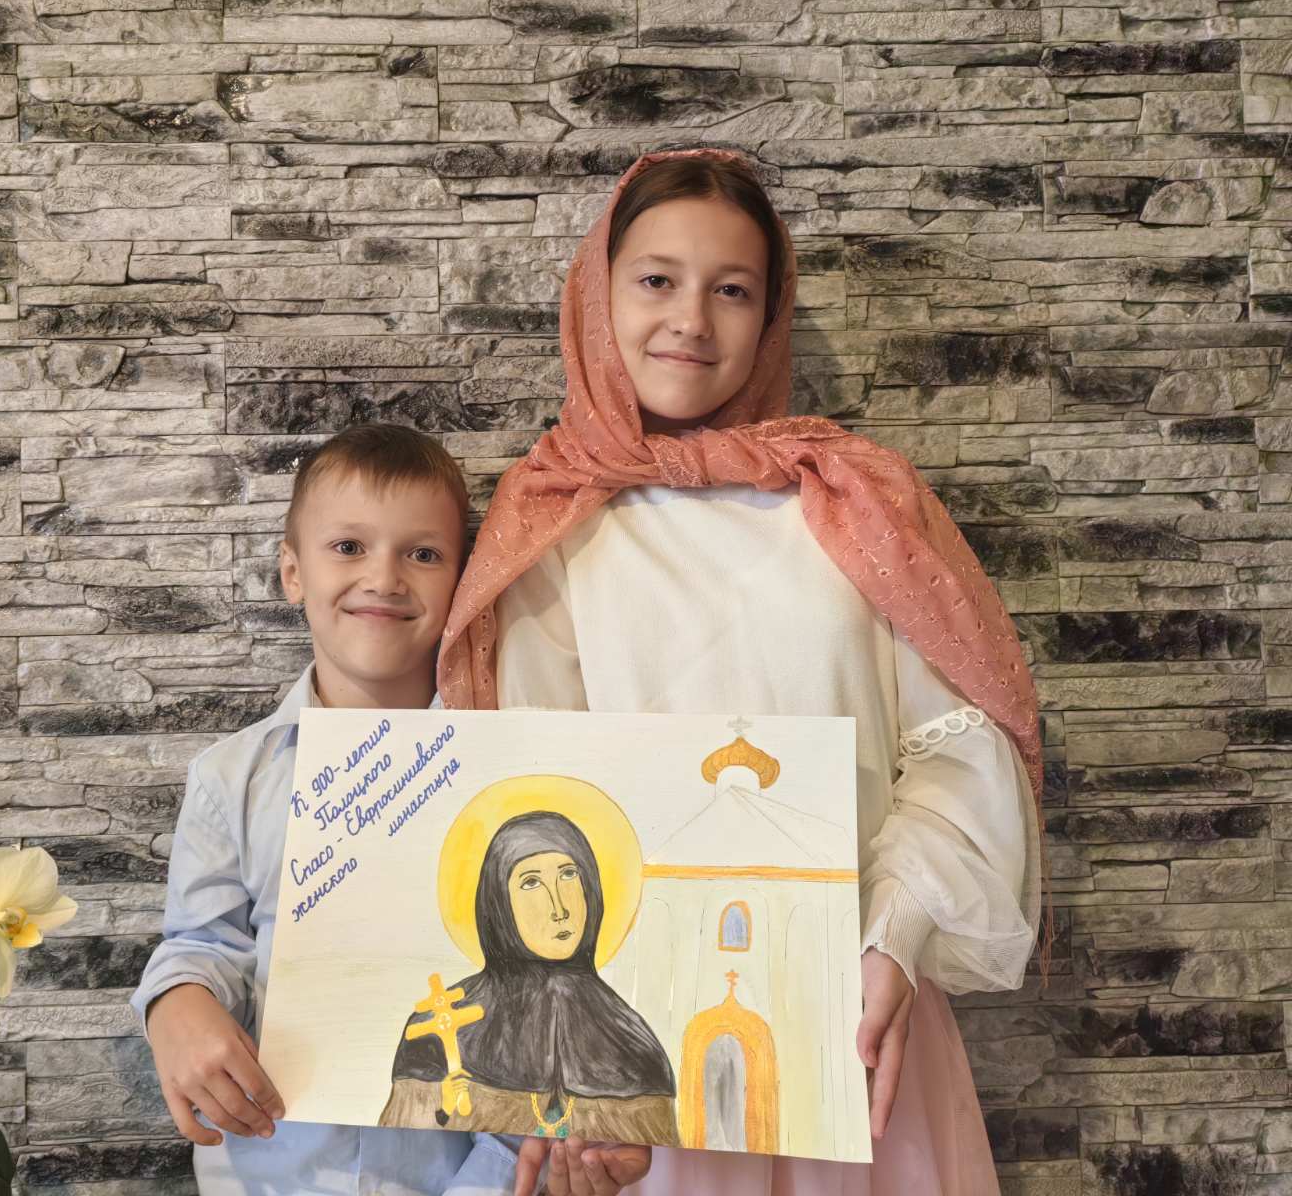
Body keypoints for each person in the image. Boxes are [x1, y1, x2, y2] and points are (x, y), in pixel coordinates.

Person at [437, 148, 1044, 1196]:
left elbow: (952, 742)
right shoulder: (550, 525)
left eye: (731, 291)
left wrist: (892, 941)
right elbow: (537, 793)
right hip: (642, 1064)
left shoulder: (851, 501)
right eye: (656, 280)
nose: (690, 320)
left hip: (853, 1026)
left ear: (769, 318)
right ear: (598, 297)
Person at [130, 424, 518, 1195]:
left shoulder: (506, 780)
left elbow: (526, 1004)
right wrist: (176, 1003)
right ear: (292, 573)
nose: (384, 577)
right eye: (348, 547)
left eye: (423, 554)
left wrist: (493, 1177)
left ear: (463, 582)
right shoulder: (232, 778)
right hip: (270, 1175)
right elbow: (202, 943)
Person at [379, 809, 678, 1145]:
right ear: (498, 902)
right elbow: (401, 1153)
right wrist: (442, 1112)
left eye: (568, 874)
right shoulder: (439, 1032)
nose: (559, 908)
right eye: (531, 882)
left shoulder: (634, 1046)